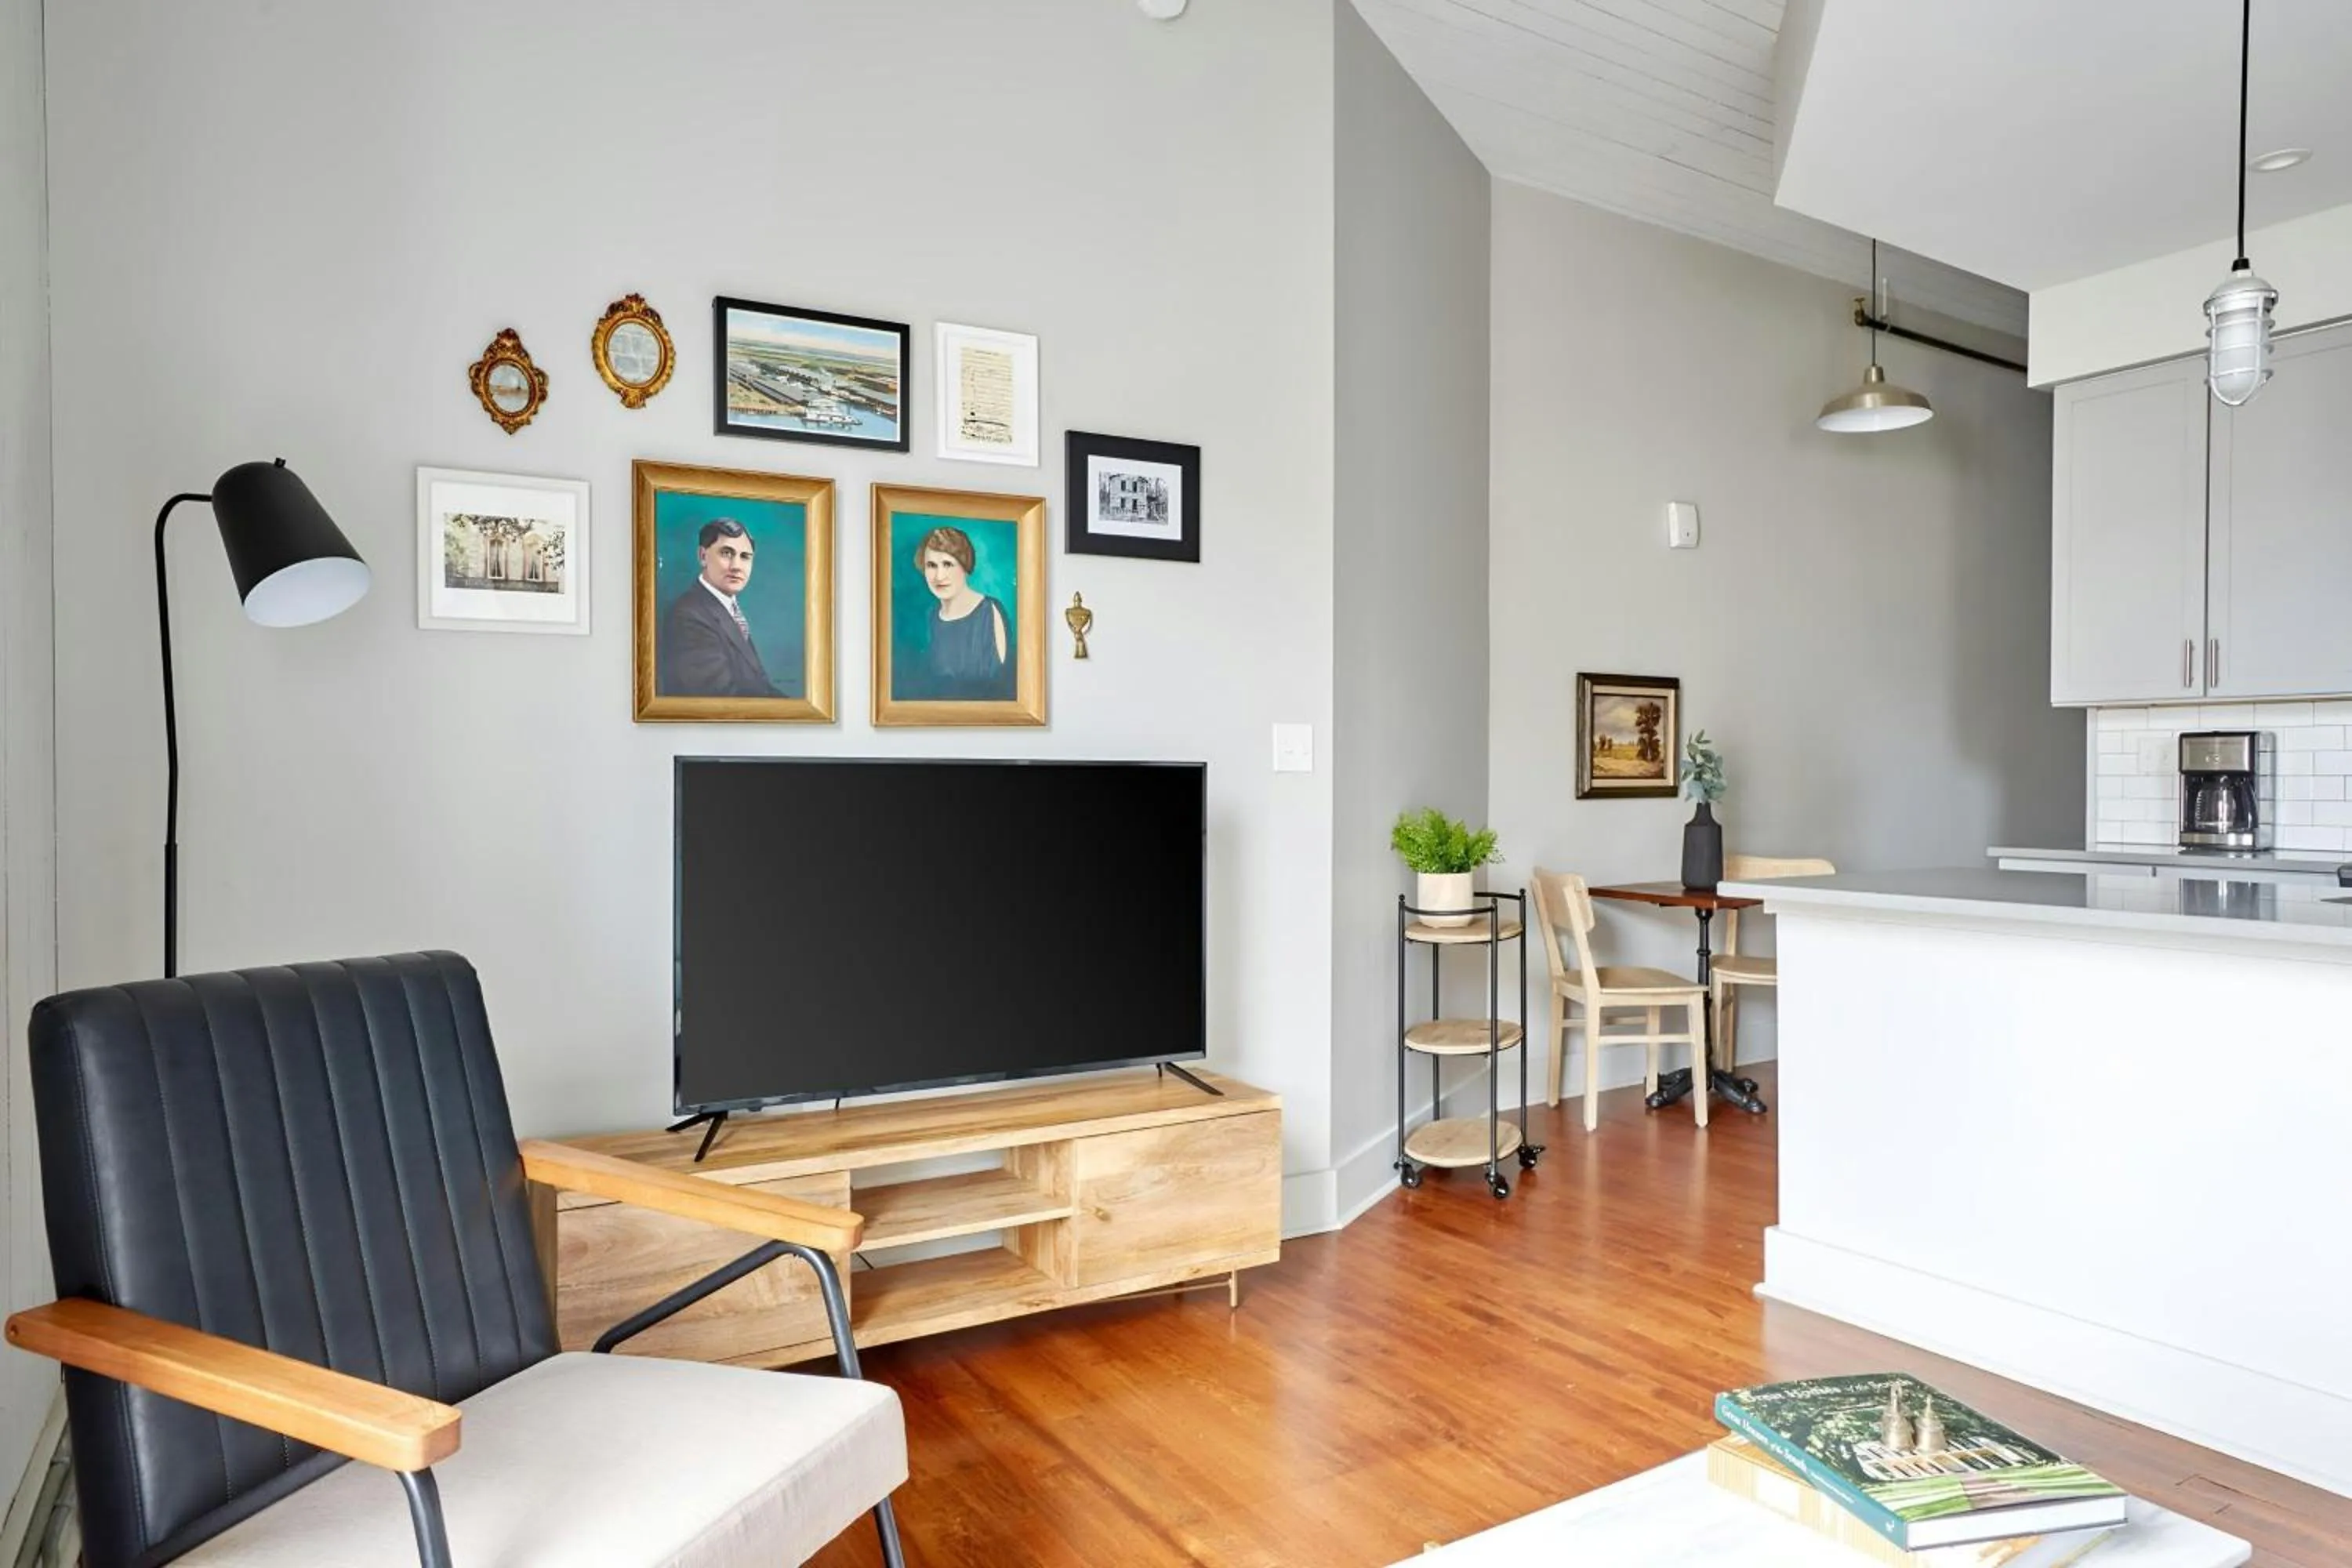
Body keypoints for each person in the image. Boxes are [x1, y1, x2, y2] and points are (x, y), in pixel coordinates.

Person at [659, 517, 782, 698]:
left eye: (745, 557)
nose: (737, 566)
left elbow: (760, 687)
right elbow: (720, 698)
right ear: (702, 556)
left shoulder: (729, 610)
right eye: (726, 553)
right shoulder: (688, 616)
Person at [914, 524, 1014, 700]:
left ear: (965, 566)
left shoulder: (990, 612)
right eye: (931, 565)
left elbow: (1004, 683)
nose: (939, 576)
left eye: (947, 564)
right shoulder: (929, 617)